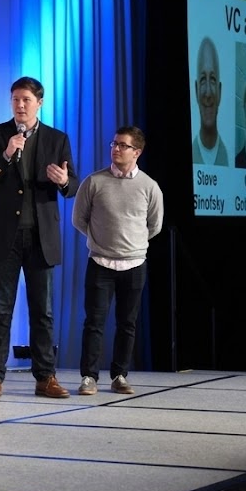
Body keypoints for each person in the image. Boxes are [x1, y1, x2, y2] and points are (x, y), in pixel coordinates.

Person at [0, 76, 78, 401]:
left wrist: (63, 181)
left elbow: (73, 185)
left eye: (26, 100)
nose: (20, 105)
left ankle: (45, 377)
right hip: (3, 235)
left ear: (39, 103)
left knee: (42, 311)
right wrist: (5, 155)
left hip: (40, 236)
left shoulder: (57, 139)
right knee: (0, 309)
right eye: (15, 99)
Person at [72, 125, 163, 396]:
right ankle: (89, 377)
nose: (116, 149)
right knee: (94, 322)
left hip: (134, 265)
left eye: (123, 145)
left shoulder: (149, 186)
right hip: (100, 263)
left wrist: (132, 245)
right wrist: (101, 240)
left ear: (137, 152)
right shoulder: (94, 182)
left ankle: (119, 375)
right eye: (114, 144)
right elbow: (79, 219)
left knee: (127, 323)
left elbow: (154, 225)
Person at [191, 36, 228, 166]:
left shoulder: (227, 157)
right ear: (196, 90)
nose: (207, 93)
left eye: (212, 79)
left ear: (220, 91)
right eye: (202, 80)